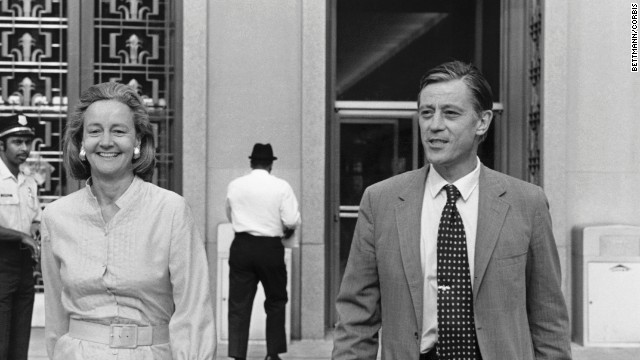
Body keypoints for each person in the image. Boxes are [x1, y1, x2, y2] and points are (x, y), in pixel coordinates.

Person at [332, 61, 571, 360]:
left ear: (482, 122)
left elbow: (548, 318)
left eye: (450, 113)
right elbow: (356, 317)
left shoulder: (527, 202)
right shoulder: (381, 201)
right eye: (426, 112)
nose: (434, 125)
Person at [41, 82, 215, 359]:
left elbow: (193, 312)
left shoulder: (171, 211)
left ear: (137, 142)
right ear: (81, 142)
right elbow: (55, 318)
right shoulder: (55, 216)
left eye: (119, 131)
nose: (106, 141)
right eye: (95, 131)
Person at [225, 143, 301, 360]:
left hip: (242, 245)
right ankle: (273, 353)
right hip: (270, 248)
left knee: (239, 303)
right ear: (270, 165)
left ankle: (238, 354)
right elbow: (291, 219)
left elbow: (230, 214)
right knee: (276, 300)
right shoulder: (281, 186)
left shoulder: (235, 185)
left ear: (251, 162)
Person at [0, 113, 41, 360]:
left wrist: (35, 230)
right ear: (1, 144)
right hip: (1, 263)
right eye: (17, 142)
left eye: (27, 142)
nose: (24, 148)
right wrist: (22, 237)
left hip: (25, 265)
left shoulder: (29, 181)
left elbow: (34, 218)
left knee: (20, 337)